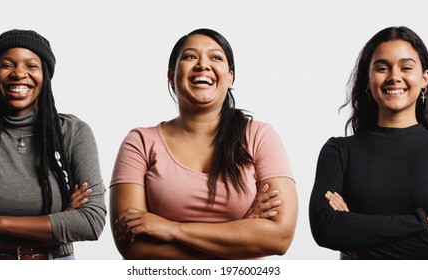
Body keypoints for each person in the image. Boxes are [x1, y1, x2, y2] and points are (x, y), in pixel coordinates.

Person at [110, 28, 297, 259]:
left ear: (230, 77)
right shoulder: (139, 142)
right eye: (190, 56)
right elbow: (133, 246)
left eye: (216, 57)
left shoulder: (260, 136)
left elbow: (279, 238)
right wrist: (241, 234)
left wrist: (170, 229)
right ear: (171, 75)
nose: (202, 65)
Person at [308, 26, 428, 260]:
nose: (394, 76)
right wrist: (420, 223)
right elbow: (325, 228)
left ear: (424, 79)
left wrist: (360, 245)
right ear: (368, 79)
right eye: (382, 68)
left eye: (406, 67)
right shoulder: (338, 151)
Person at [0, 29, 105, 260]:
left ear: (44, 76)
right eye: (7, 65)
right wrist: (60, 224)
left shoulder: (73, 132)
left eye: (31, 66)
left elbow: (90, 222)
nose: (19, 74)